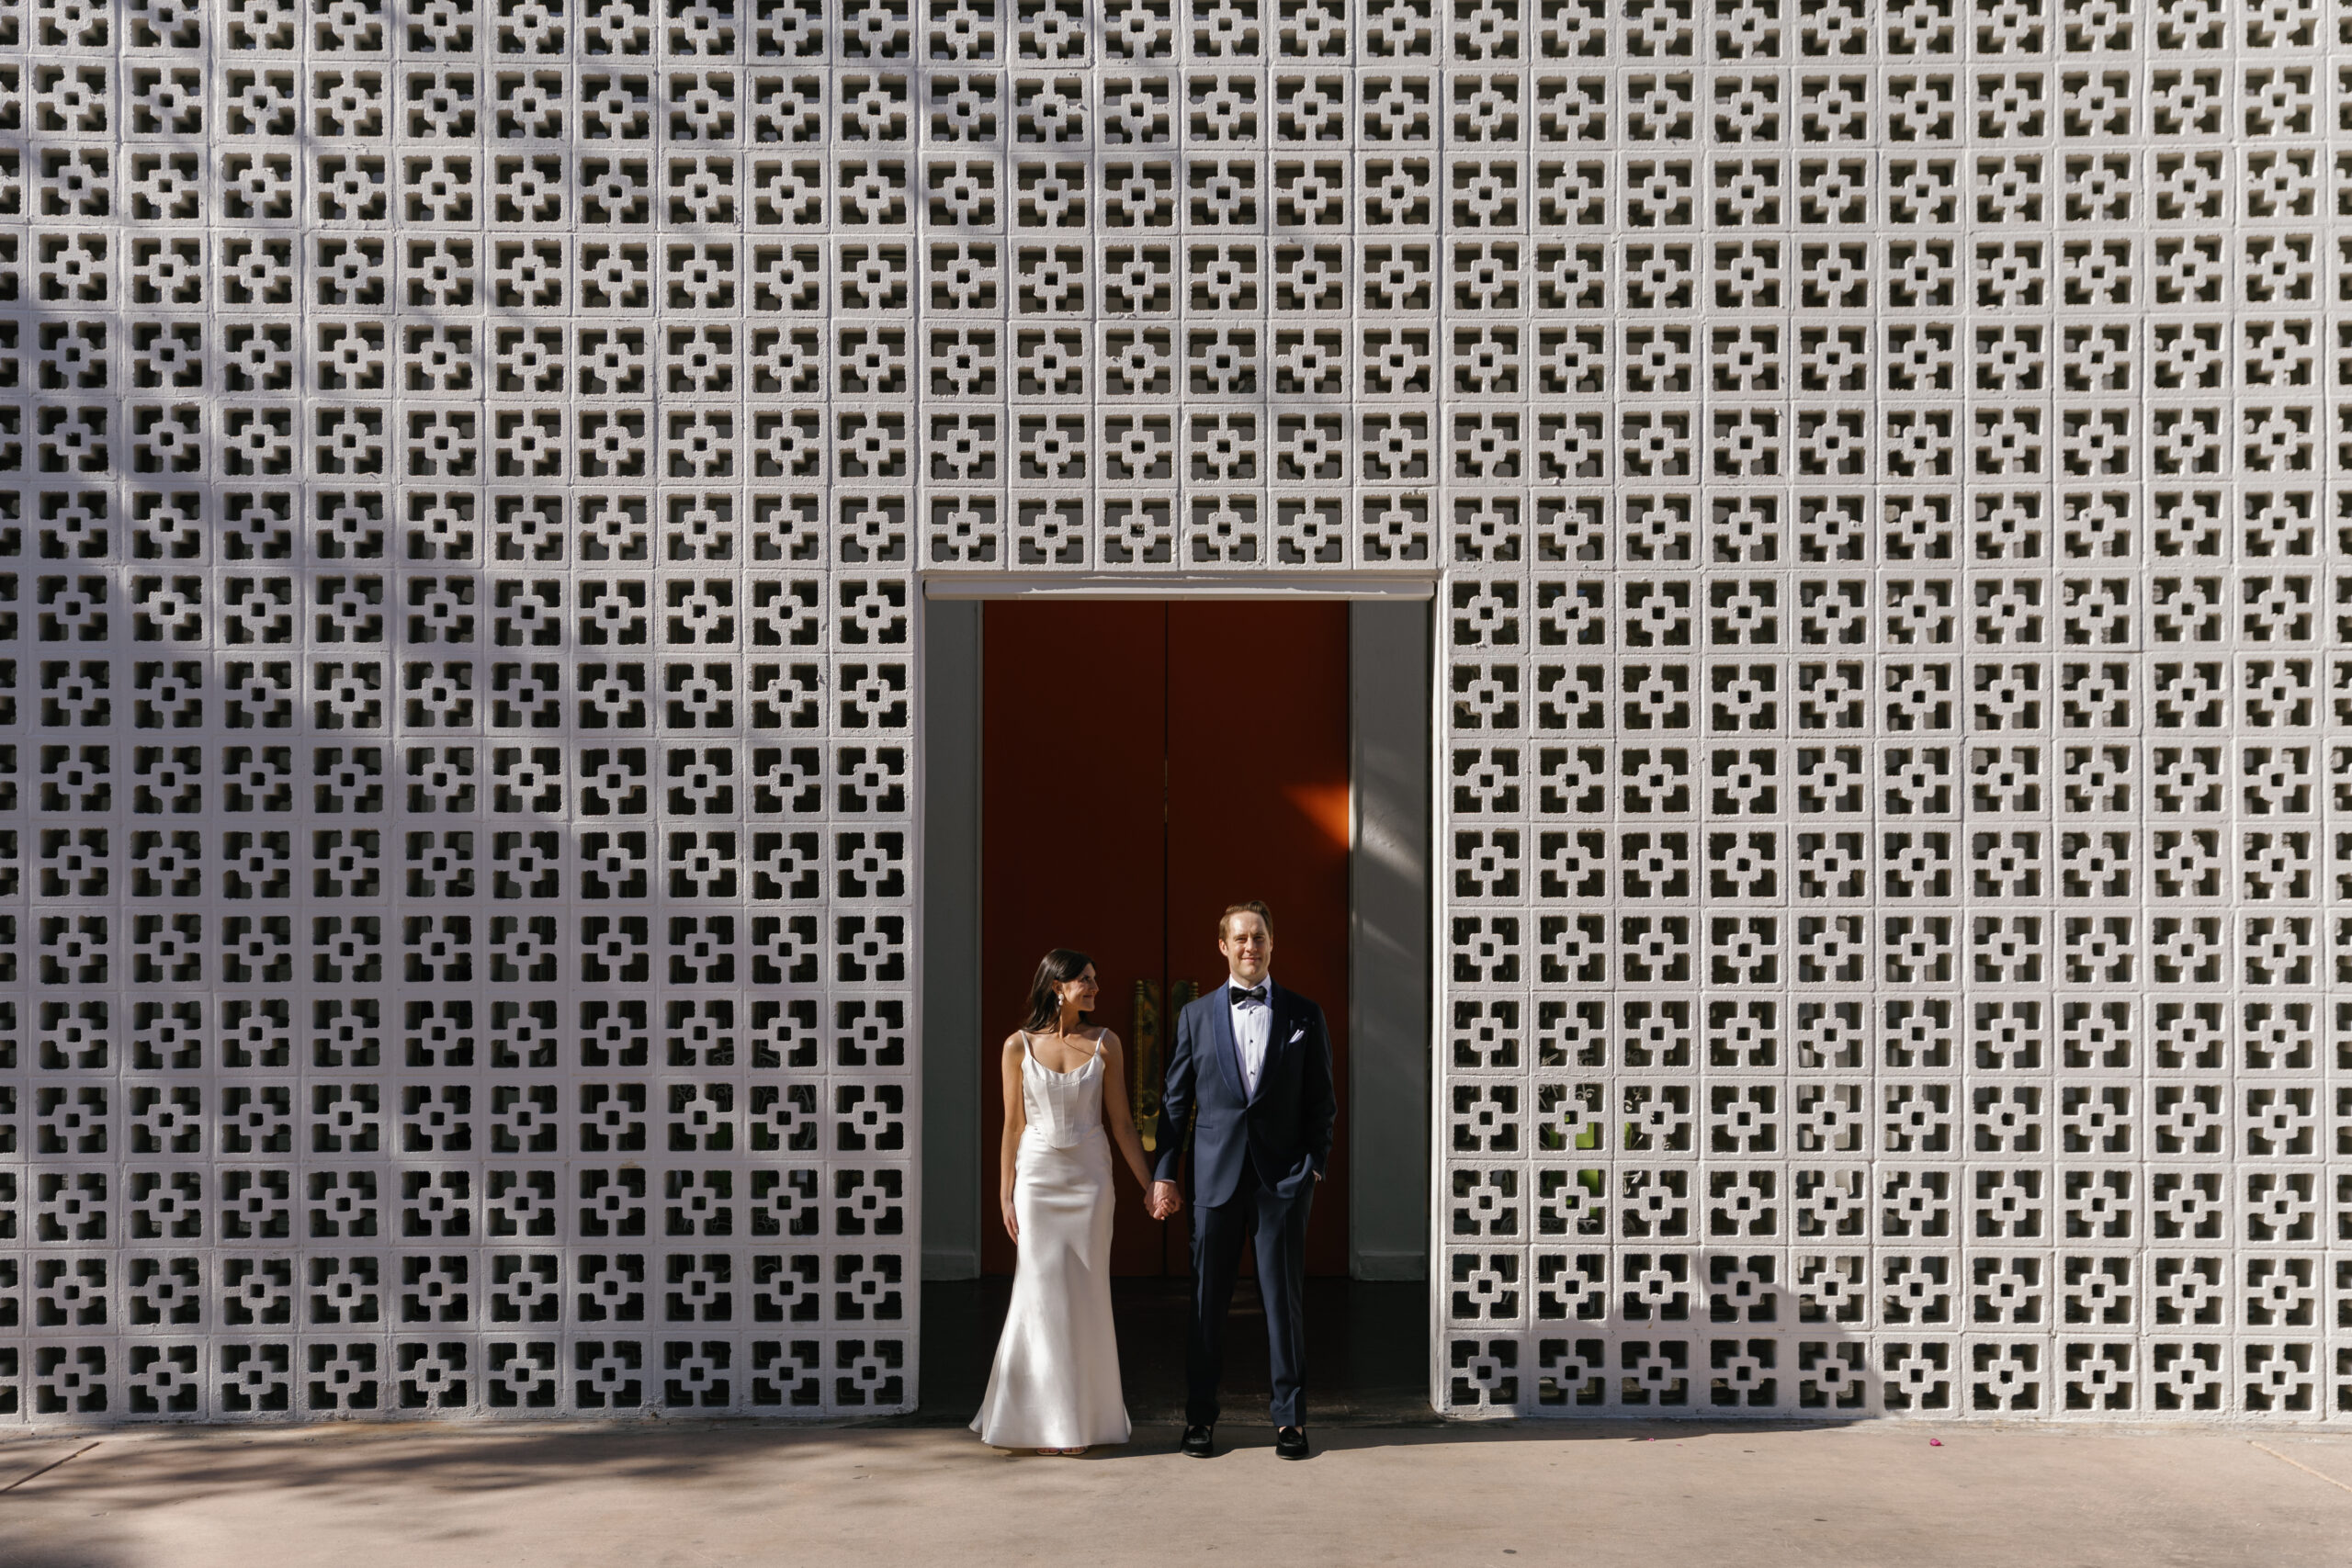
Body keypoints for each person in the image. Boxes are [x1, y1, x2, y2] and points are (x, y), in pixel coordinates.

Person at [1149, 901, 1337, 1461]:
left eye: (1259, 937)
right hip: (1213, 1182)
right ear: (1223, 947)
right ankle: (1200, 1419)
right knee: (1207, 1305)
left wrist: (1314, 1166)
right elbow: (1175, 1105)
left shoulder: (1305, 1014)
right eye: (1240, 938)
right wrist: (1164, 1175)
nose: (1250, 946)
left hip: (1282, 1182)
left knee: (1284, 1305)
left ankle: (1290, 1421)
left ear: (1272, 944)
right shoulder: (1194, 1016)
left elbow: (1321, 1102)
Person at [971, 949, 1168, 1455]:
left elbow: (1123, 1124)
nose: (1096, 988)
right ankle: (1035, 1422)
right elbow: (1011, 1126)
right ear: (1057, 986)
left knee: (1084, 1294)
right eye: (1086, 980)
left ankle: (1079, 1422)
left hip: (1090, 1181)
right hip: (1036, 1181)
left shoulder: (1107, 1044)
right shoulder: (1017, 1046)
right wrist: (1004, 1193)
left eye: (1095, 979)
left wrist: (1150, 1183)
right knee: (1037, 1294)